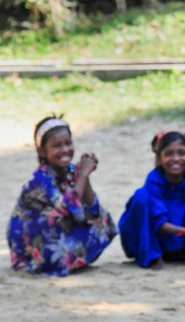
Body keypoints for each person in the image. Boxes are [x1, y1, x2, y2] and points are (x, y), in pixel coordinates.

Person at [7, 116, 118, 276]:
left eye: (68, 143)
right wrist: (83, 174)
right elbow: (67, 206)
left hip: (53, 232)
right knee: (63, 221)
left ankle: (70, 260)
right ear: (42, 151)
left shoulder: (70, 171)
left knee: (102, 217)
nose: (65, 150)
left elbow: (91, 206)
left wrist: (83, 175)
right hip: (32, 244)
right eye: (57, 146)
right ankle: (51, 263)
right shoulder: (40, 179)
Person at [118, 131, 185, 269]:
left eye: (182, 153)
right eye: (169, 154)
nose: (176, 158)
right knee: (140, 197)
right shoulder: (153, 181)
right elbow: (159, 222)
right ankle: (151, 255)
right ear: (158, 159)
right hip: (159, 232)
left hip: (181, 233)